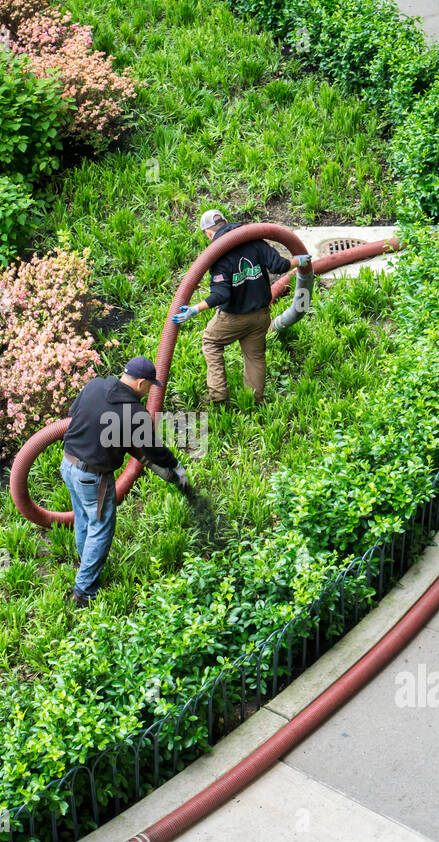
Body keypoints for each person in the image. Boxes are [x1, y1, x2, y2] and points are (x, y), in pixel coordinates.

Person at [59, 357, 188, 607]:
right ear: (140, 383)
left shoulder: (95, 385)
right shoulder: (134, 412)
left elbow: (72, 413)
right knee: (100, 528)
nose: (150, 389)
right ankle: (84, 591)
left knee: (84, 519)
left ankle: (86, 566)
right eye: (150, 385)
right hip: (93, 476)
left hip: (68, 463)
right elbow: (153, 450)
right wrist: (175, 467)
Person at [173, 209, 312, 406]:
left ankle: (218, 393)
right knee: (255, 356)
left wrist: (195, 309)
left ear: (208, 234)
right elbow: (279, 266)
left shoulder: (219, 255)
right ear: (227, 221)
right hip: (261, 315)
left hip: (233, 318)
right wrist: (299, 261)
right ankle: (255, 400)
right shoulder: (253, 240)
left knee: (211, 342)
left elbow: (221, 295)